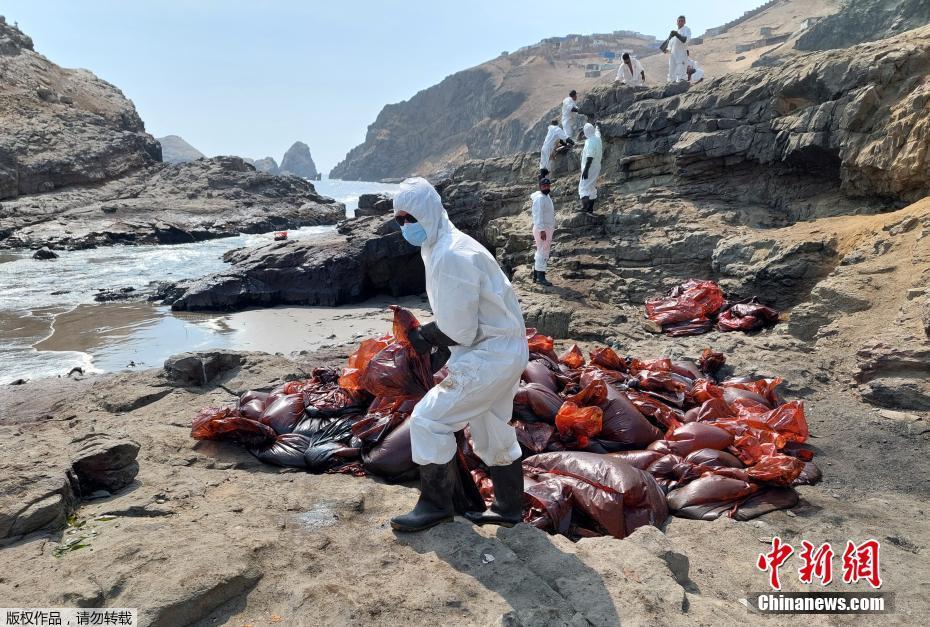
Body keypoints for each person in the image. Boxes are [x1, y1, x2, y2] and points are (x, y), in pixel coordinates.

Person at [389, 177, 529, 532]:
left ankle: (437, 505)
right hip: (500, 349)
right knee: (490, 427)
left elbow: (459, 329)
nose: (406, 226)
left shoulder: (452, 254)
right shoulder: (442, 244)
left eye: (411, 217)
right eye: (399, 219)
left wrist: (422, 338)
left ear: (429, 212)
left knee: (428, 419)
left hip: (490, 355)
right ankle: (509, 508)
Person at [530, 178, 555, 286]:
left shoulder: (546, 196)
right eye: (544, 186)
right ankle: (541, 277)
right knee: (543, 252)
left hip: (547, 228)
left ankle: (536, 275)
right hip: (543, 229)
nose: (546, 187)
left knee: (541, 251)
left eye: (548, 185)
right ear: (540, 187)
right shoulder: (540, 198)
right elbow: (537, 215)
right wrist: (541, 230)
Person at [578, 123, 602, 213]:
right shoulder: (597, 137)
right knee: (591, 187)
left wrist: (586, 170)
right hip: (597, 166)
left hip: (590, 167)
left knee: (583, 187)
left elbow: (589, 157)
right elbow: (598, 131)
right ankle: (590, 209)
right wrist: (597, 126)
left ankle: (585, 208)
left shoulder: (590, 142)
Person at [665, 15, 691, 82]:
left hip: (681, 55)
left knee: (681, 72)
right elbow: (669, 47)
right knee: (671, 72)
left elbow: (685, 40)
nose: (680, 22)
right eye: (679, 21)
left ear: (685, 22)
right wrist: (666, 49)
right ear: (676, 22)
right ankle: (670, 84)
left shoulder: (686, 29)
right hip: (673, 55)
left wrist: (677, 34)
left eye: (682, 21)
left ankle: (681, 85)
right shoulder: (674, 33)